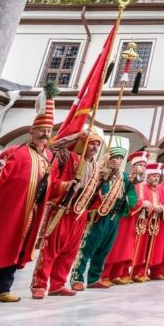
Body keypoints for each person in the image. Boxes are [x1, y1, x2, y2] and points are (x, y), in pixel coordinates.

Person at [0, 91, 56, 307]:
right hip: (8, 210)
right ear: (32, 131)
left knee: (18, 247)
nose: (45, 133)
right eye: (41, 130)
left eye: (48, 131)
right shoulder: (15, 151)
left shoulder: (49, 157)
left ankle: (1, 288)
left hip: (31, 211)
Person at [30, 128, 104, 299]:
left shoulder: (96, 166)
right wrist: (77, 135)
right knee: (51, 248)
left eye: (97, 144)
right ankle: (39, 284)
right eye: (91, 142)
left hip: (80, 212)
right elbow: (53, 148)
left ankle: (58, 284)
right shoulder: (69, 157)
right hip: (62, 208)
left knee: (69, 251)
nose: (94, 147)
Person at [71, 140, 135, 290]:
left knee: (104, 249)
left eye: (120, 158)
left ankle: (94, 278)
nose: (117, 161)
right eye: (114, 157)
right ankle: (77, 278)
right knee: (87, 247)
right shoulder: (98, 172)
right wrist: (101, 171)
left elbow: (132, 196)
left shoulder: (124, 177)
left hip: (113, 217)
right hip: (97, 216)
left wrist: (133, 186)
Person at [101, 151, 152, 285]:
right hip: (124, 216)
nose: (143, 168)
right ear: (134, 167)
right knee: (117, 246)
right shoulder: (129, 180)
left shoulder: (144, 184)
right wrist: (141, 204)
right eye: (140, 165)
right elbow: (129, 197)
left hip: (136, 220)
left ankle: (120, 273)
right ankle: (106, 274)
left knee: (128, 247)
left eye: (144, 165)